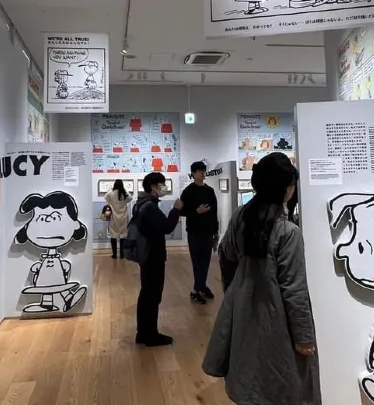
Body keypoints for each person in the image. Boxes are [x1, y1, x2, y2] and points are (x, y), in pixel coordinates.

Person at [202, 152, 320, 404]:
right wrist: (304, 336)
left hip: (243, 309)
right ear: (287, 189)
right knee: (284, 385)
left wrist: (235, 291)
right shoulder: (288, 232)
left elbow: (226, 254)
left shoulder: (241, 217)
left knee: (248, 375)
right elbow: (294, 290)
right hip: (277, 319)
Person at [133, 172, 182, 346]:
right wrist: (176, 209)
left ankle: (142, 332)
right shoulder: (151, 207)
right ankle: (150, 335)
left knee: (146, 293)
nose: (164, 188)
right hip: (153, 255)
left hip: (145, 254)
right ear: (153, 187)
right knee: (153, 295)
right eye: (162, 184)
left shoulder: (140, 204)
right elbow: (166, 227)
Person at [179, 161, 219, 304]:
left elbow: (214, 212)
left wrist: (216, 230)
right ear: (193, 173)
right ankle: (197, 289)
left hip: (208, 231)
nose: (202, 173)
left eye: (204, 170)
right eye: (199, 171)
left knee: (206, 261)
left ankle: (200, 287)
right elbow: (181, 211)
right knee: (197, 261)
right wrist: (196, 211)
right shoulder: (188, 191)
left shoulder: (210, 191)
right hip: (194, 231)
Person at [104, 179, 133, 258]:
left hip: (113, 217)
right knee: (123, 236)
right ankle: (122, 254)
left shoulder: (111, 193)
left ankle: (114, 254)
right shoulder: (124, 193)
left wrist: (111, 190)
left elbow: (106, 197)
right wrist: (124, 190)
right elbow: (131, 198)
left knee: (113, 236)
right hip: (123, 217)